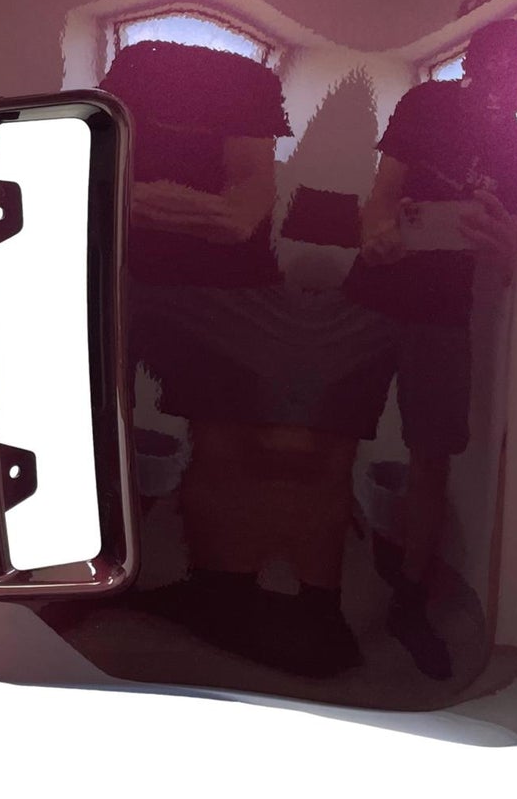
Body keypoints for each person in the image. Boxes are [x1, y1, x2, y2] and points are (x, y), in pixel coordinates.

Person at [106, 39, 364, 676]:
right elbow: (97, 178)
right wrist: (190, 205)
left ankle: (222, 589)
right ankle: (143, 574)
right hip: (123, 274)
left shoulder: (246, 81)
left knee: (235, 443)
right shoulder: (135, 67)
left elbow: (239, 215)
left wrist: (135, 196)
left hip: (226, 287)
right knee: (102, 423)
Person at [343, 18, 517, 678]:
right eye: (497, 65)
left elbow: (508, 256)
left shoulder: (514, 146)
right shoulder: (426, 103)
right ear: (472, 64)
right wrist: (377, 233)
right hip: (374, 292)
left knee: (433, 458)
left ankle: (410, 600)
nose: (507, 80)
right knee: (333, 425)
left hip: (445, 313)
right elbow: (380, 198)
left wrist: (507, 245)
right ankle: (320, 570)